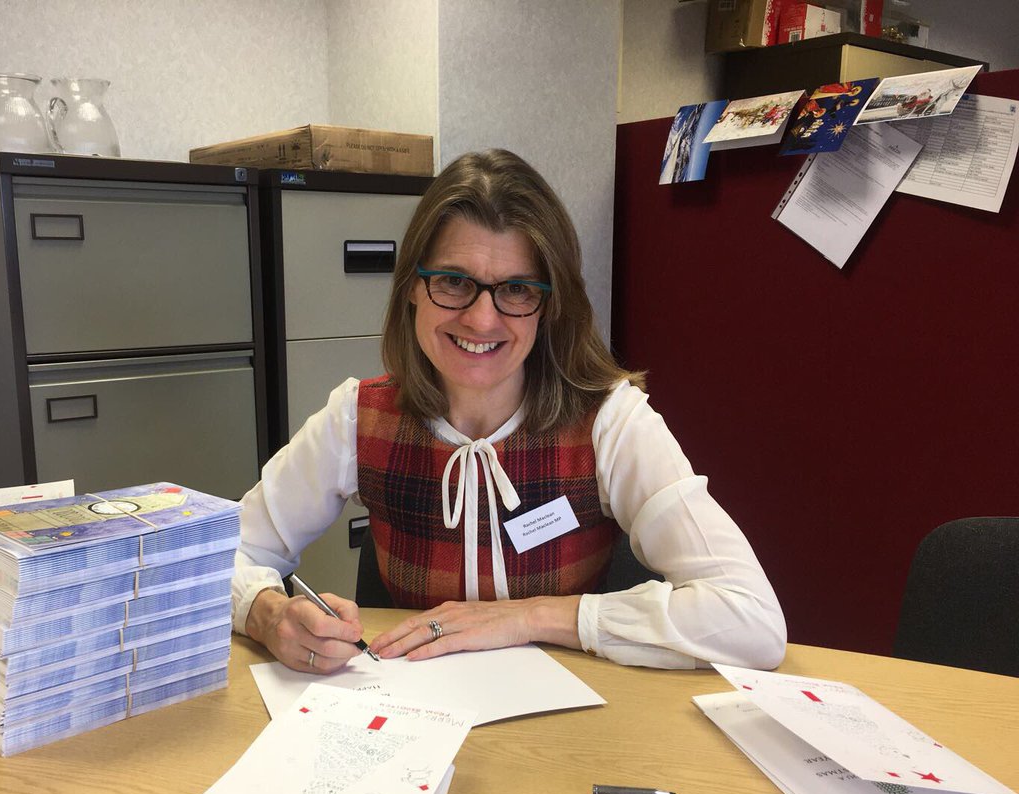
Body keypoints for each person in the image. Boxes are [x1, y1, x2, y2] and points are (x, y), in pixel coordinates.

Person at [233, 149, 786, 674]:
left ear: (549, 305)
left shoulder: (612, 422)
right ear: (412, 289)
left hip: (566, 716)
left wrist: (529, 617)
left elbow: (751, 618)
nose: (481, 320)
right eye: (454, 282)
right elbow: (223, 553)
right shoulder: (358, 416)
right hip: (412, 710)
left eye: (517, 290)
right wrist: (266, 613)